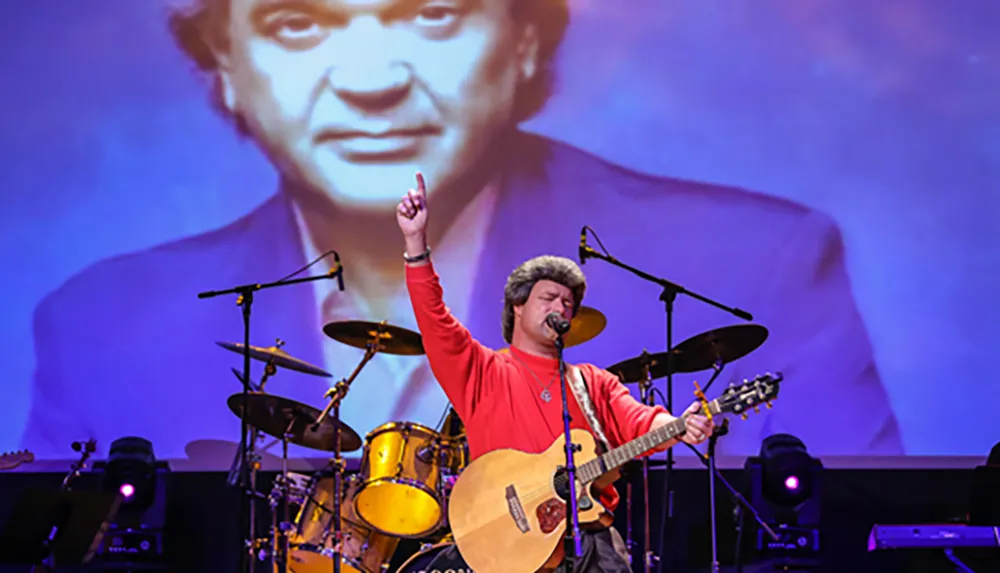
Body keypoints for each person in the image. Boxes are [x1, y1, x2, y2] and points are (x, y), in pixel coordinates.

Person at [20, 0, 902, 461]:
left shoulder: (758, 264)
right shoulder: (98, 325)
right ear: (225, 65)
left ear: (524, 37)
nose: (369, 80)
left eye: (432, 12)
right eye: (296, 21)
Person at [397, 172, 715, 571]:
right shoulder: (483, 370)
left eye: (568, 303)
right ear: (517, 306)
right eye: (549, 298)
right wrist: (415, 246)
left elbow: (639, 421)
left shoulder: (592, 381)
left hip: (588, 537)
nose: (562, 308)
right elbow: (435, 322)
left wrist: (678, 424)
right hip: (508, 543)